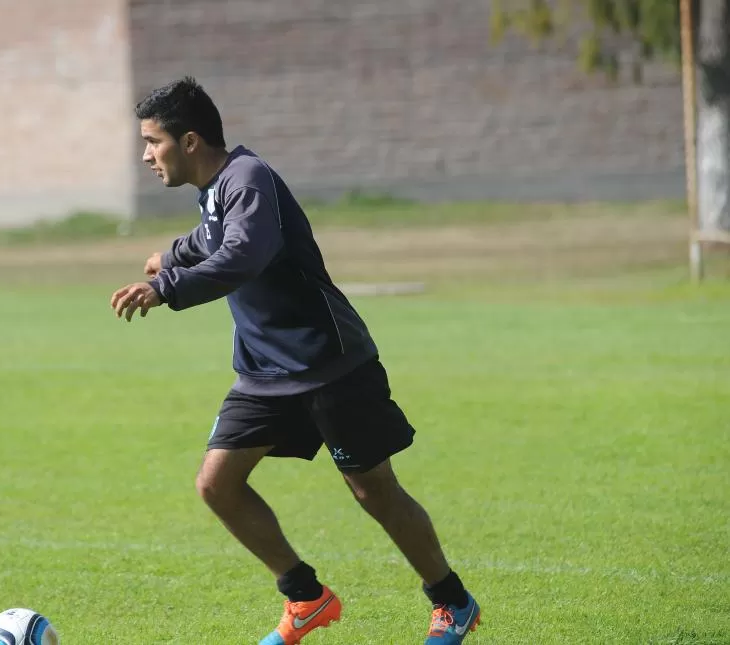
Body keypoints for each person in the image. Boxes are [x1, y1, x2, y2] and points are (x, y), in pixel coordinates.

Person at [110, 77, 481, 645]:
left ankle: (452, 603)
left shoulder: (248, 177)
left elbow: (243, 253)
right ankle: (306, 598)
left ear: (188, 141)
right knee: (217, 485)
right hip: (265, 372)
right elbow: (214, 235)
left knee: (373, 490)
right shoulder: (215, 188)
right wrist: (173, 255)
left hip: (328, 363)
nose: (145, 154)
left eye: (152, 141)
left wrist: (170, 287)